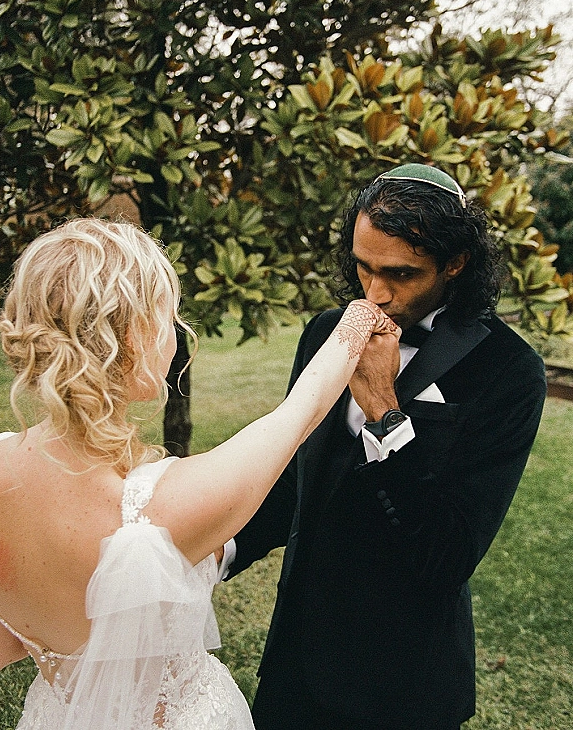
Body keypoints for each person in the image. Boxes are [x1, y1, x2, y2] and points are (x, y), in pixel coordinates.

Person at [0, 217, 396, 730]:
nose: (177, 333)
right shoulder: (155, 511)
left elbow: (2, 645)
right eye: (168, 314)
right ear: (132, 334)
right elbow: (299, 414)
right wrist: (362, 315)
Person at [227, 164, 547, 730]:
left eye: (400, 273)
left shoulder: (509, 370)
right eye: (363, 267)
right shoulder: (327, 329)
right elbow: (294, 479)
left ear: (455, 263)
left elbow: (447, 555)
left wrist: (383, 408)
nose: (374, 294)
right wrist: (212, 557)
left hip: (403, 684)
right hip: (296, 665)